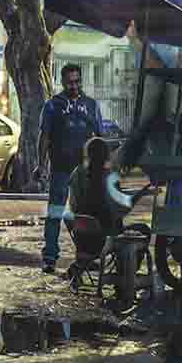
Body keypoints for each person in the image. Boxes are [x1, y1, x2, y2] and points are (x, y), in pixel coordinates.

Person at [39, 63, 103, 274]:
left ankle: (86, 257)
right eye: (69, 82)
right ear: (63, 82)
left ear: (81, 80)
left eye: (77, 81)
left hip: (85, 173)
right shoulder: (53, 106)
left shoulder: (92, 105)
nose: (74, 86)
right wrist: (41, 165)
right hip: (60, 169)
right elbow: (44, 137)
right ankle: (49, 257)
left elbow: (99, 139)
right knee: (55, 213)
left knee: (86, 217)